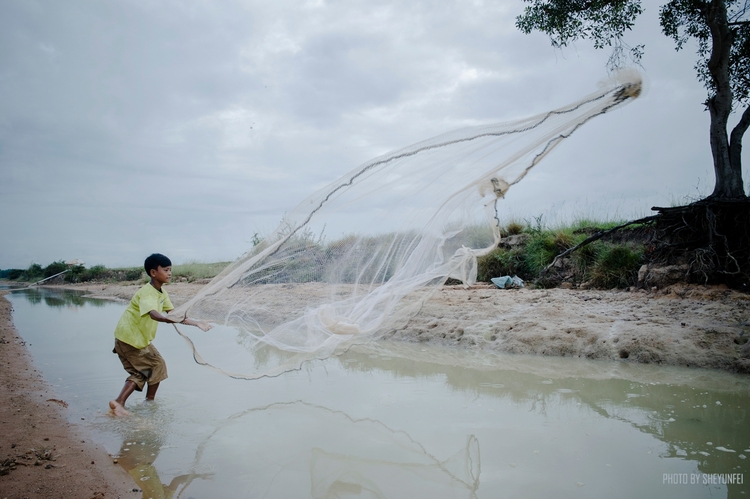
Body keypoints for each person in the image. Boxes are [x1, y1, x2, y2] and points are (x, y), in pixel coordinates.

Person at [109, 253, 211, 416]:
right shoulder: (147, 292)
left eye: (170, 269)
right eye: (165, 270)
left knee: (151, 368)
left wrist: (197, 323)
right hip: (130, 339)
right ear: (153, 272)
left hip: (134, 340)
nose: (169, 273)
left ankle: (133, 403)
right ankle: (138, 403)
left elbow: (174, 314)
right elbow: (154, 314)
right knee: (154, 366)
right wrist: (166, 319)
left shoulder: (162, 293)